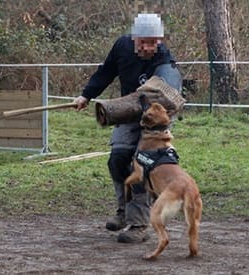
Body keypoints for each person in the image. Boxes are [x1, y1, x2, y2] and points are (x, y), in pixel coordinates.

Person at [74, 13, 182, 243]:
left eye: (153, 41)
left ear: (160, 40)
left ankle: (139, 224)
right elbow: (106, 72)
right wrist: (86, 95)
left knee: (140, 165)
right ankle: (123, 212)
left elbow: (166, 98)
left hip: (153, 118)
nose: (148, 47)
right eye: (144, 41)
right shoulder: (121, 47)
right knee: (117, 160)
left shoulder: (164, 61)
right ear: (134, 38)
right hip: (126, 113)